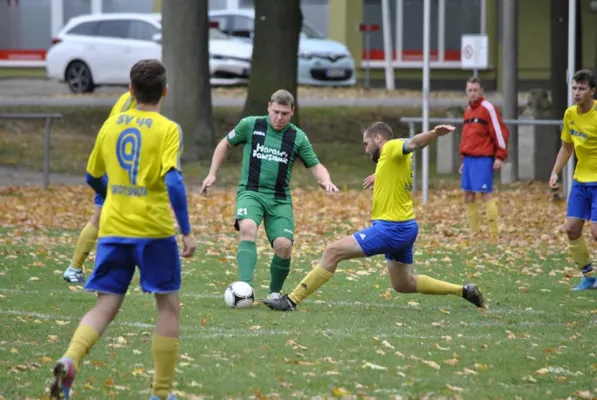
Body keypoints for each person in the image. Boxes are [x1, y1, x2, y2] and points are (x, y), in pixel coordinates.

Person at [49, 59, 196, 400]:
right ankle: (160, 393)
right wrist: (186, 230)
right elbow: (173, 181)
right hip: (153, 231)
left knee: (105, 305)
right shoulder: (168, 130)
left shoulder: (110, 126)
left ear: (130, 90)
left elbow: (91, 176)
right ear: (165, 91)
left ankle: (71, 359)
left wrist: (112, 195)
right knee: (168, 306)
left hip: (113, 228)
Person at [264, 121, 486, 312]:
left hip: (392, 228)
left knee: (332, 251)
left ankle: (291, 300)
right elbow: (396, 167)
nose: (365, 149)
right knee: (403, 284)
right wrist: (380, 174)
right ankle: (464, 291)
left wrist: (435, 134)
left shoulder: (391, 147)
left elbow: (414, 143)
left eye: (366, 143)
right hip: (406, 226)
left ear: (378, 138)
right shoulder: (390, 160)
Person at [199, 89, 338, 299]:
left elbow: (315, 165)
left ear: (292, 111)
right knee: (247, 227)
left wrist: (326, 180)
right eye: (275, 112)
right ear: (268, 107)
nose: (279, 117)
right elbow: (225, 144)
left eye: (284, 113)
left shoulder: (297, 137)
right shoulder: (250, 125)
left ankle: (274, 293)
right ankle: (244, 290)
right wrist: (211, 174)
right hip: (250, 192)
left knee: (284, 246)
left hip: (279, 198)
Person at [62, 91, 137, 283]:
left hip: (112, 161)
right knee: (103, 218)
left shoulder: (130, 98)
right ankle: (79, 268)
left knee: (103, 218)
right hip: (113, 163)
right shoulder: (133, 101)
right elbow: (118, 130)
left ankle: (76, 268)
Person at [549, 69, 597, 291]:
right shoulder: (570, 114)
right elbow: (567, 147)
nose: (576, 93)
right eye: (574, 88)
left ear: (592, 91)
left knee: (596, 232)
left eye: (582, 88)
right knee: (571, 229)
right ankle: (588, 277)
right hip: (580, 181)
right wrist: (555, 172)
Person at [459, 77, 509, 236]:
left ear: (481, 91)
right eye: (470, 90)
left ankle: (493, 234)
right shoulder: (468, 111)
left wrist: (500, 156)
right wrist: (463, 159)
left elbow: (500, 132)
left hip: (483, 158)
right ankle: (475, 233)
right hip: (469, 159)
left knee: (486, 195)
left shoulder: (488, 108)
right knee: (467, 196)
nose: (472, 93)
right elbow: (467, 137)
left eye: (475, 90)